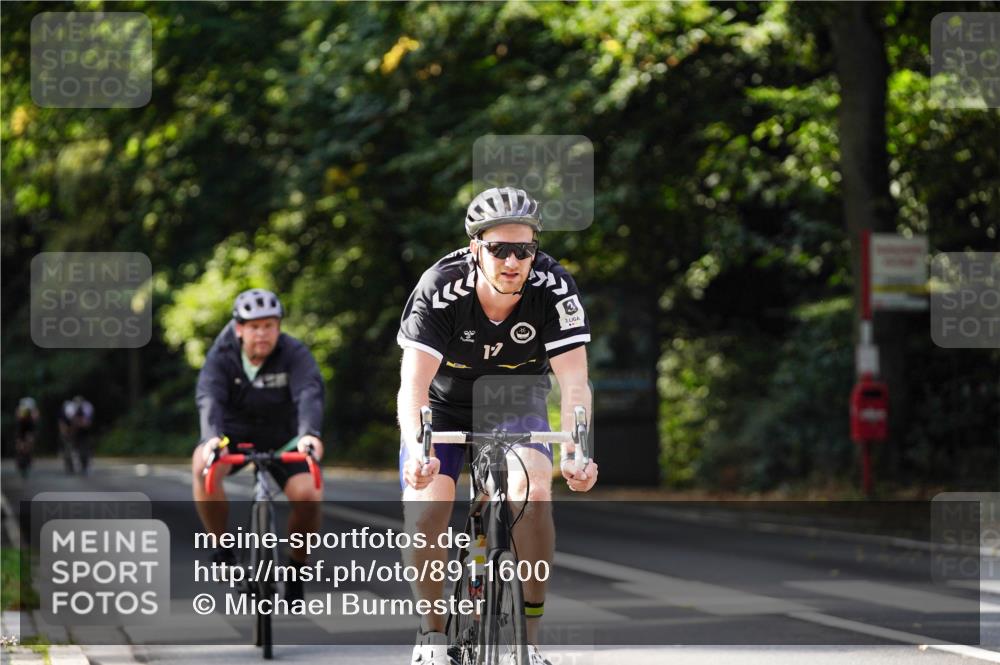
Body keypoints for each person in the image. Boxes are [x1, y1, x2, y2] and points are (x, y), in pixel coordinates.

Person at [397, 187, 599, 665]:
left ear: (535, 249)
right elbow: (412, 388)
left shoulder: (554, 288)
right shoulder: (440, 288)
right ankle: (431, 635)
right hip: (443, 406)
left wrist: (578, 451)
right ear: (475, 249)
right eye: (498, 249)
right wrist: (417, 449)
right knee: (426, 512)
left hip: (515, 400)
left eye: (524, 249)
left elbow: (574, 383)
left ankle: (528, 638)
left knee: (535, 494)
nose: (512, 261)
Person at [191, 288, 325, 602]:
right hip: (233, 437)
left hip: (285, 436)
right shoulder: (221, 355)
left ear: (279, 327)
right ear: (239, 329)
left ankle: (295, 567)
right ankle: (222, 547)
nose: (262, 333)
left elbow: (309, 392)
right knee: (202, 465)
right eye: (254, 327)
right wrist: (212, 438)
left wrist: (310, 434)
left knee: (309, 496)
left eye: (269, 325)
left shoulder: (294, 353)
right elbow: (208, 398)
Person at [59, 395, 94, 475]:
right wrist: (66, 432)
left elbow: (87, 423)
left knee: (84, 449)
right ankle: (70, 467)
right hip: (70, 429)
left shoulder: (87, 408)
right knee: (68, 449)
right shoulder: (69, 409)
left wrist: (80, 423)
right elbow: (63, 423)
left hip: (83, 431)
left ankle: (84, 466)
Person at [15, 397, 40, 478]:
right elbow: (18, 417)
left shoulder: (33, 411)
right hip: (21, 429)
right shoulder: (20, 410)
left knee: (29, 443)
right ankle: (20, 459)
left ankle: (28, 458)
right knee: (20, 446)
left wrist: (32, 415)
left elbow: (36, 418)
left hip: (30, 428)